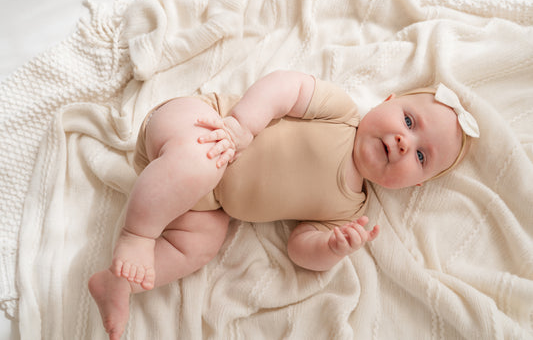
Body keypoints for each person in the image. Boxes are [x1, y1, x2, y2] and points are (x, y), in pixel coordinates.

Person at [88, 70, 479, 340]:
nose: (403, 142)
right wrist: (241, 124)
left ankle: (116, 284)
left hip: (208, 205)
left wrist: (330, 249)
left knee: (201, 245)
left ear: (417, 184)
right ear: (387, 100)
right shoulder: (340, 113)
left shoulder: (347, 211)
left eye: (422, 157)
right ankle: (137, 235)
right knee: (202, 164)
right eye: (409, 121)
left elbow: (299, 248)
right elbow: (284, 87)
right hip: (202, 125)